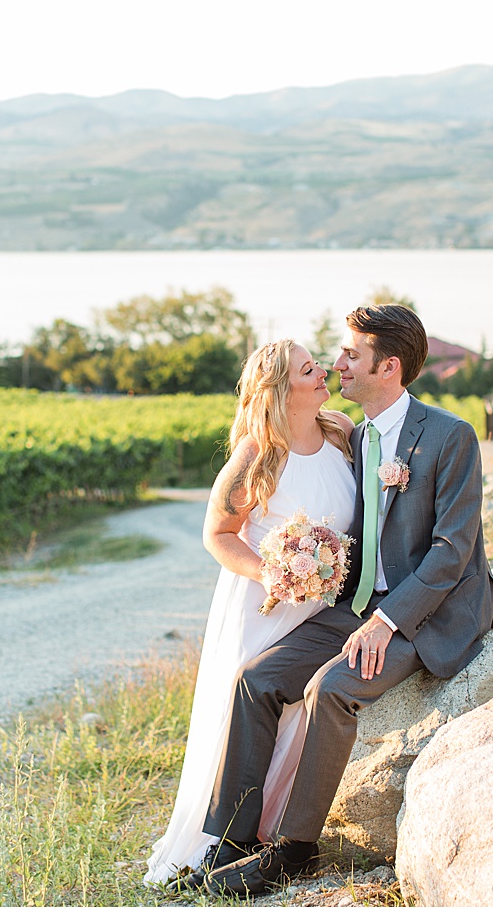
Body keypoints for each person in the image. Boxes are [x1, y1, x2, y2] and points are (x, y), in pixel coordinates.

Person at [201, 303, 493, 898]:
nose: (337, 363)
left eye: (350, 356)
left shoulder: (450, 436)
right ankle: (232, 841)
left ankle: (293, 850)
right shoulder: (352, 436)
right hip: (358, 601)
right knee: (256, 679)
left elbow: (452, 551)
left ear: (387, 368)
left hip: (429, 611)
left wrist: (387, 622)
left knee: (331, 689)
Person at [143, 338, 356, 889]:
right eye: (309, 371)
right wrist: (272, 572)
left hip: (323, 608)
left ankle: (269, 833)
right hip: (263, 608)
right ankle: (222, 842)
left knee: (296, 717)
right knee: (244, 706)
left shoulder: (341, 435)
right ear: (282, 391)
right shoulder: (259, 453)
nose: (323, 374)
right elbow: (217, 534)